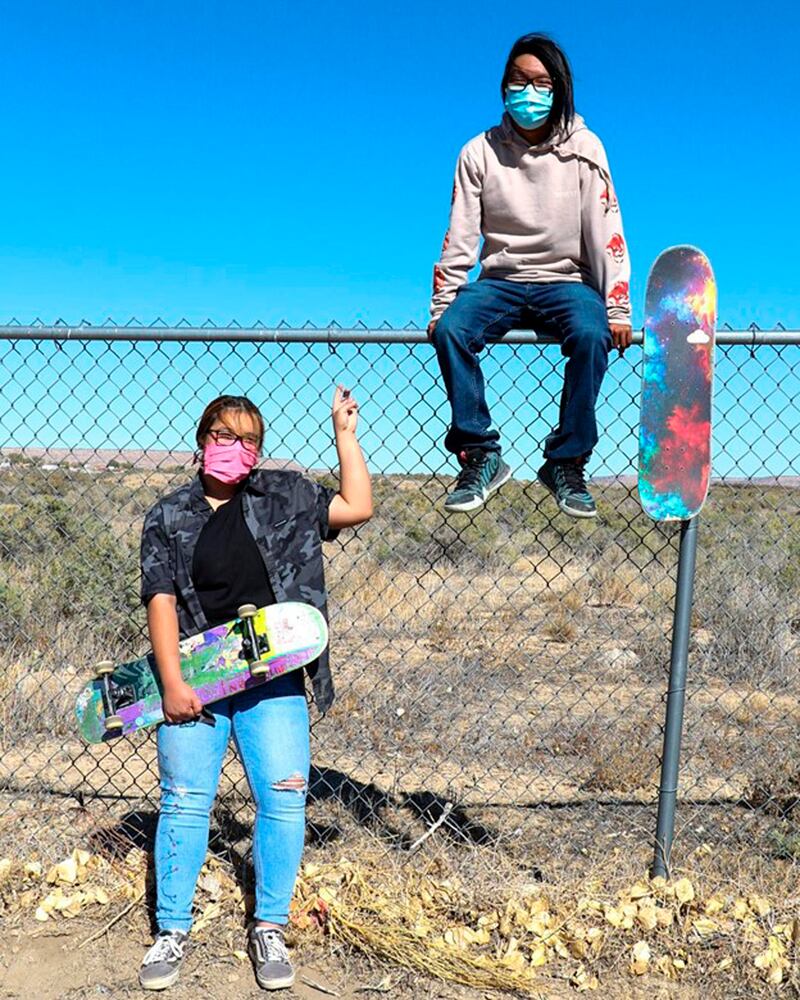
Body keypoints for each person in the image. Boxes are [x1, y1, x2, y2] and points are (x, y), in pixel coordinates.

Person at [137, 389, 371, 992]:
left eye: (248, 440)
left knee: (285, 798)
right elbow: (160, 600)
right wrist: (172, 682)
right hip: (198, 676)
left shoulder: (286, 496)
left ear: (259, 449)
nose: (235, 449)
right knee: (186, 801)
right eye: (223, 436)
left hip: (275, 680)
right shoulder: (167, 516)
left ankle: (269, 924)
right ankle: (171, 930)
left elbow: (357, 506)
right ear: (201, 439)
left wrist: (344, 433)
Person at [428, 32, 632, 517]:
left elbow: (607, 229)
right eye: (519, 80)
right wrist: (441, 307)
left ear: (559, 89)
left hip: (567, 280)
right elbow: (460, 235)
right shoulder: (478, 152)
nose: (529, 91)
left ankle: (566, 461)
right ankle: (479, 453)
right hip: (499, 278)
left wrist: (617, 304)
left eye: (541, 82)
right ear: (503, 86)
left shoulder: (585, 147)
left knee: (591, 333)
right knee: (453, 329)